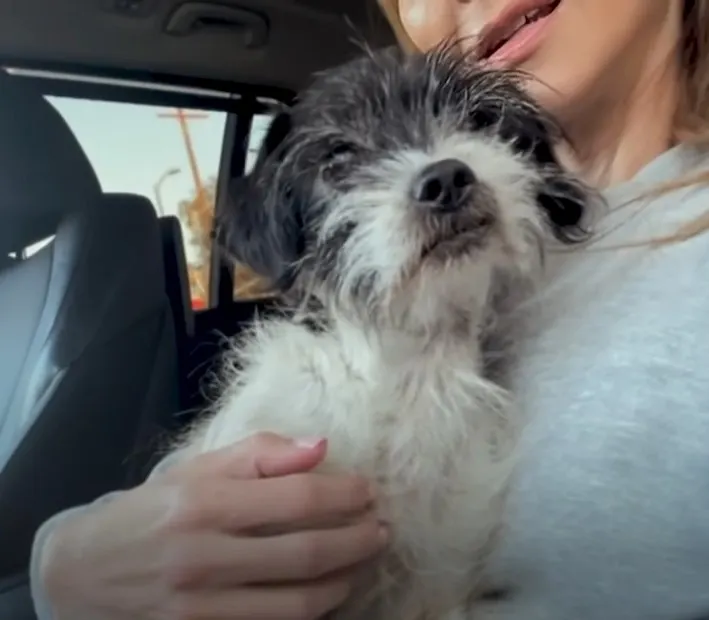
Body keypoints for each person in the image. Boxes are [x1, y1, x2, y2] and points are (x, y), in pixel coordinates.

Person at [30, 0, 709, 618]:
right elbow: (170, 525)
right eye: (343, 164)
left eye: (472, 119)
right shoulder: (484, 275)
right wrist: (63, 563)